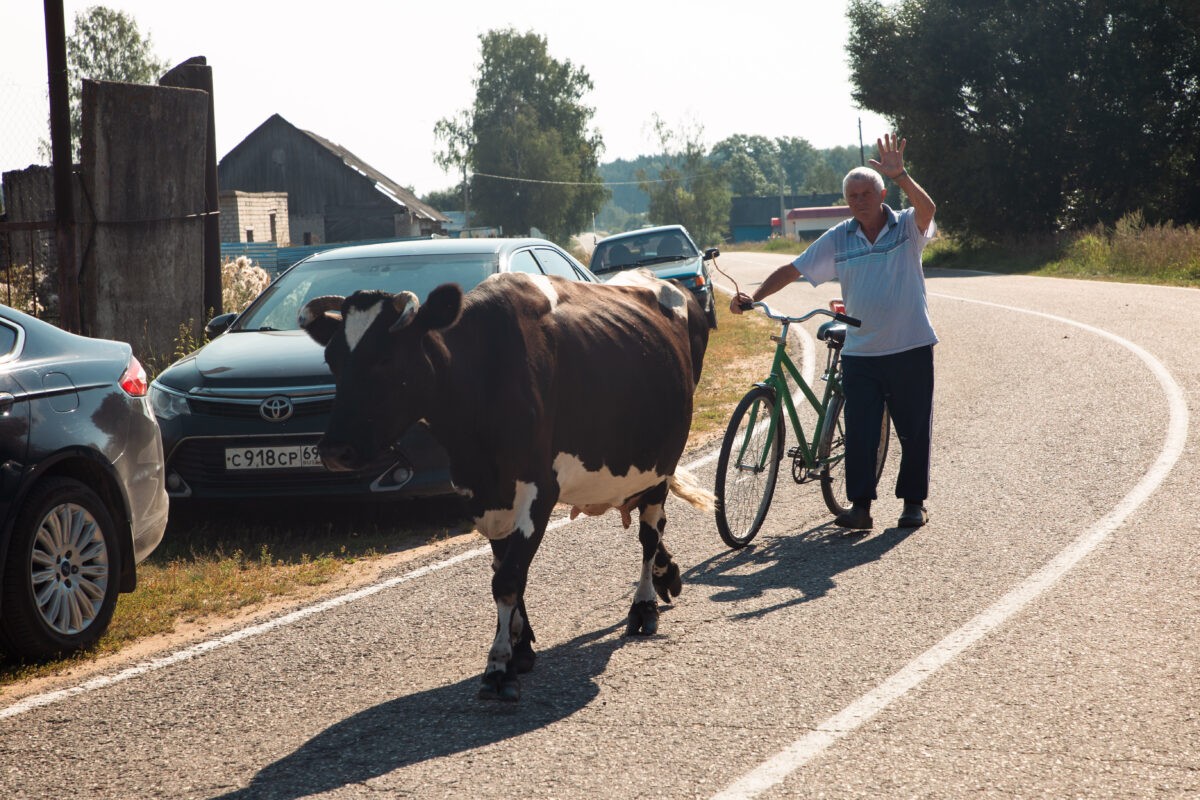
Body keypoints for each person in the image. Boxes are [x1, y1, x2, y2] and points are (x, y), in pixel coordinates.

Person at [730, 134, 937, 530]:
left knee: (913, 430)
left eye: (866, 193)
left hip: (910, 345)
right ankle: (860, 507)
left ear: (881, 194)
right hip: (861, 352)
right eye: (852, 195)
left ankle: (913, 503)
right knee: (860, 432)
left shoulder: (907, 226)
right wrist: (754, 297)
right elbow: (793, 268)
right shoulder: (840, 236)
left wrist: (902, 176)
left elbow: (928, 208)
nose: (859, 200)